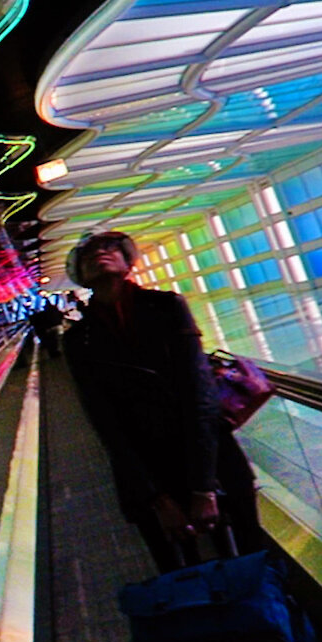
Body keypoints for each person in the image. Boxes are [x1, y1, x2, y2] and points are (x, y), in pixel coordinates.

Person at [63, 231, 258, 573]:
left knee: (252, 562)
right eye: (89, 253)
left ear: (127, 262)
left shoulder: (167, 307)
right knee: (181, 579)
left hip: (210, 458)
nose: (100, 253)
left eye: (109, 247)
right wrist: (157, 498)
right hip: (148, 472)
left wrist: (203, 486)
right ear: (80, 273)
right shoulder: (79, 339)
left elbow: (199, 394)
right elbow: (106, 423)